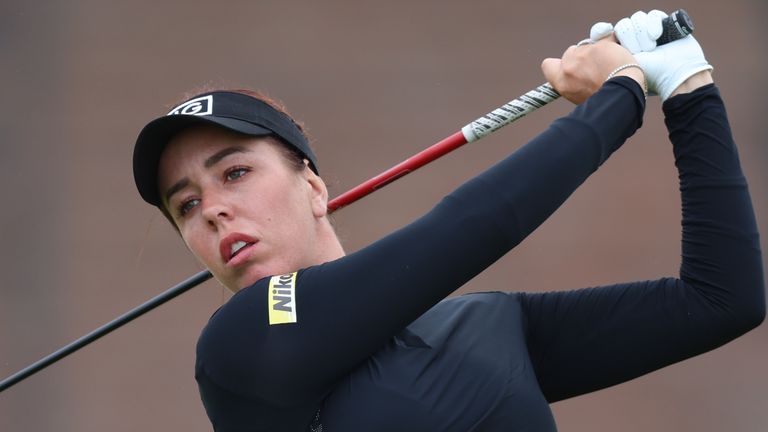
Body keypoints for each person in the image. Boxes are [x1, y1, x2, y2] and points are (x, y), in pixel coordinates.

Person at [132, 10, 764, 432]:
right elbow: (472, 226)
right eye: (185, 205)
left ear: (315, 186)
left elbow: (720, 300)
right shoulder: (239, 345)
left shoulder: (489, 325)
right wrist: (619, 95)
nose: (212, 208)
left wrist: (689, 88)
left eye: (235, 172)